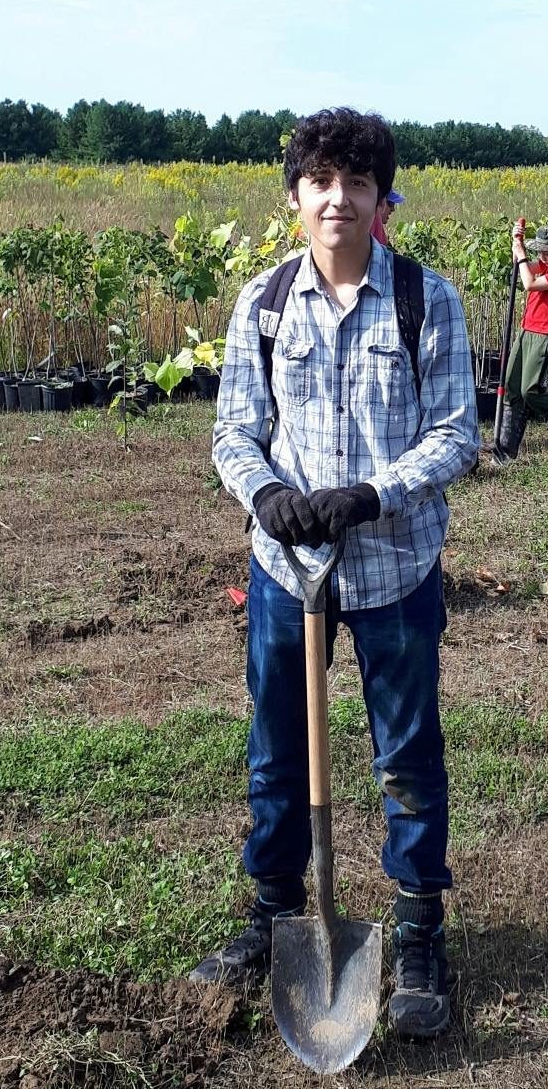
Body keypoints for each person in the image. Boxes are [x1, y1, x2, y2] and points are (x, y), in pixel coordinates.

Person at [195, 108, 479, 1039]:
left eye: (357, 183)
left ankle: (418, 933)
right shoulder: (263, 305)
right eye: (321, 182)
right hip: (289, 569)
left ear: (382, 199)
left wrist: (372, 495)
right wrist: (267, 497)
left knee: (407, 758)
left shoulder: (426, 301)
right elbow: (234, 430)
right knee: (277, 749)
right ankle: (275, 914)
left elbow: (455, 436)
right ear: (295, 199)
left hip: (396, 567)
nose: (338, 200)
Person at [491, 221, 548, 460]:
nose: (541, 255)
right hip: (526, 330)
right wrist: (517, 242)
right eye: (539, 251)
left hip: (545, 333)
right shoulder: (546, 264)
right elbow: (520, 266)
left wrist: (521, 255)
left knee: (530, 389)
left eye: (546, 252)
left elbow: (529, 283)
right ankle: (505, 449)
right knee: (512, 386)